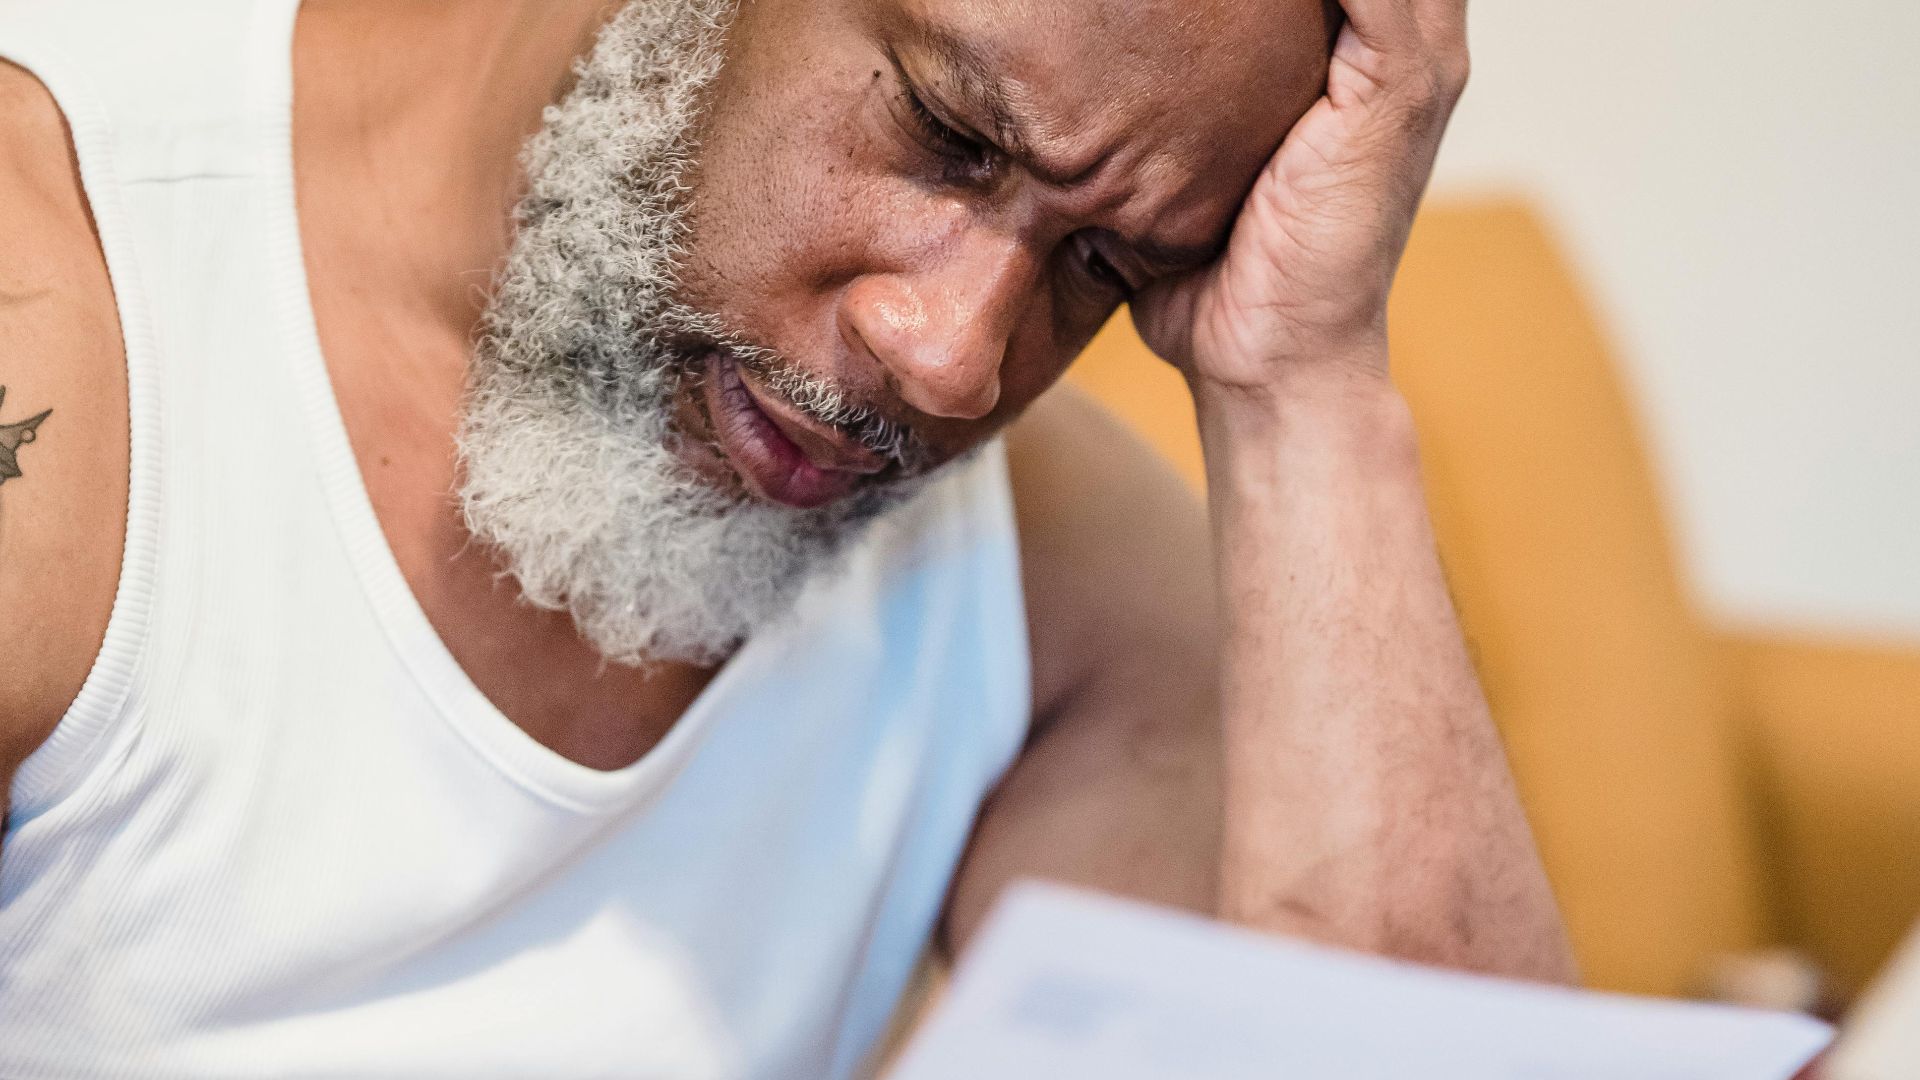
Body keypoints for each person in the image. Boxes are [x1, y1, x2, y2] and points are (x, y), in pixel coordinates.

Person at [0, 0, 1574, 1073]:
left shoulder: (1039, 571)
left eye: (1101, 263)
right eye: (951, 135)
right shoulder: (66, 324)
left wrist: (1306, 392)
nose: (953, 356)